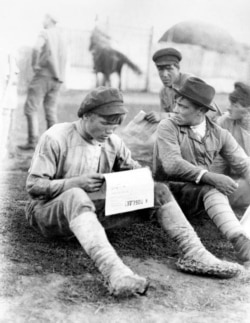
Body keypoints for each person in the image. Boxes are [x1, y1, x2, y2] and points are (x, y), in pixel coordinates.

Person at [25, 87, 242, 297]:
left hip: (91, 214)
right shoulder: (56, 137)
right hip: (50, 212)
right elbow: (34, 187)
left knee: (158, 190)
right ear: (86, 116)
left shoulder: (113, 141)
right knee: (75, 195)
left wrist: (136, 176)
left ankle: (196, 253)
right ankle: (115, 272)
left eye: (115, 124)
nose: (110, 130)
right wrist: (73, 183)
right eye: (105, 123)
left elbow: (140, 175)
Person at [153, 77, 250, 268]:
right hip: (169, 194)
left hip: (200, 196)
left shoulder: (219, 133)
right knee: (212, 188)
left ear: (202, 111)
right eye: (177, 104)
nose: (176, 110)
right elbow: (172, 164)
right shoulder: (168, 126)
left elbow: (243, 163)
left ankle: (244, 238)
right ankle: (240, 240)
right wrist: (210, 176)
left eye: (183, 107)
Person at [18, 13, 67, 150]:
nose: (42, 21)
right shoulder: (62, 35)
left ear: (50, 19)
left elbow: (36, 48)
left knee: (31, 108)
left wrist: (35, 64)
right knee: (51, 110)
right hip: (57, 79)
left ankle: (32, 141)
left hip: (44, 75)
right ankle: (54, 143)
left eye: (44, 18)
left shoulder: (45, 33)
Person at [145, 47, 221, 123]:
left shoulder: (191, 83)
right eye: (160, 69)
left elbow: (210, 114)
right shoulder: (164, 91)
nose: (164, 74)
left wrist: (163, 116)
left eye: (169, 69)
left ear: (178, 68)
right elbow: (164, 118)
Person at [212, 82, 250, 174]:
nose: (228, 108)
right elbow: (219, 158)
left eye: (235, 106)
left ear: (248, 110)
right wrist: (215, 181)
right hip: (233, 177)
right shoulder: (224, 122)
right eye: (230, 103)